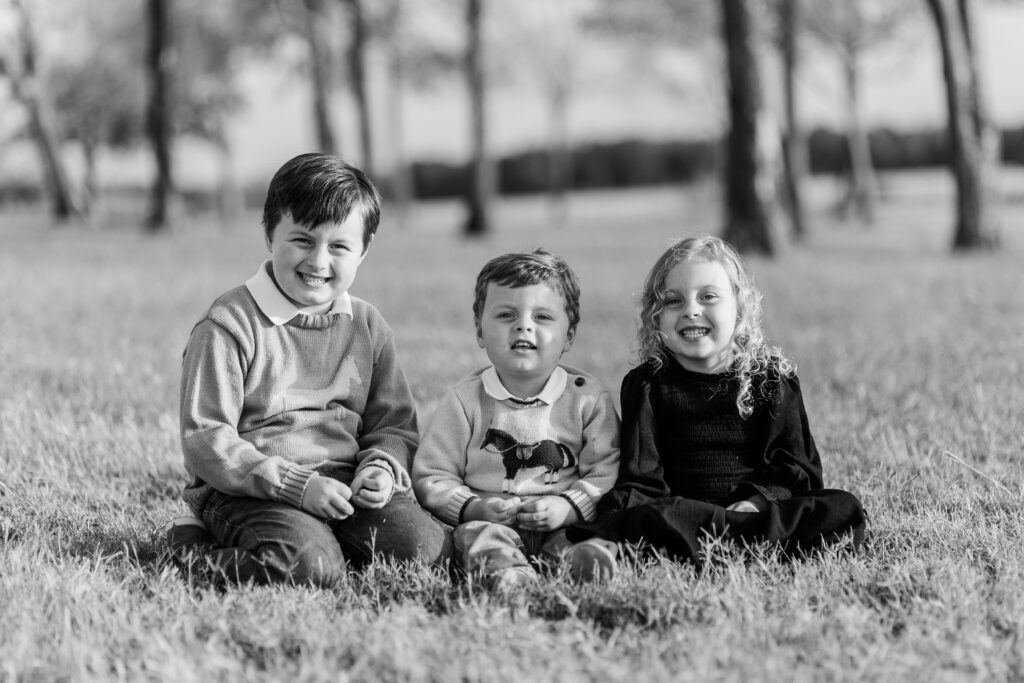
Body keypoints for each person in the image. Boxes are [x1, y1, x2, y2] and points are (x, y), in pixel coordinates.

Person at [165, 152, 450, 586]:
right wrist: (295, 485)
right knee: (310, 567)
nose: (318, 262)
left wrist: (381, 468)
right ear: (269, 234)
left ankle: (325, 541)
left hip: (345, 486)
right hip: (249, 490)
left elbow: (393, 426)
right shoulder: (229, 323)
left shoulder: (368, 326)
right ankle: (196, 551)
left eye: (338, 246)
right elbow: (207, 438)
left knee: (427, 552)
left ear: (364, 250)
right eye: (302, 240)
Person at [567, 235, 866, 563]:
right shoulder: (648, 385)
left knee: (841, 507)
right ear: (655, 316)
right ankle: (606, 552)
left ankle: (717, 549)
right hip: (683, 516)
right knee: (644, 517)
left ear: (740, 306)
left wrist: (758, 503)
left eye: (708, 297)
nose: (691, 311)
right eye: (673, 301)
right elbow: (641, 477)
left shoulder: (771, 379)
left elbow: (796, 469)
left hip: (755, 518)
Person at [413, 249, 620, 590]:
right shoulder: (465, 400)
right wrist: (474, 508)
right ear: (480, 330)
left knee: (581, 538)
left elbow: (607, 470)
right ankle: (508, 575)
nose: (523, 325)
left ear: (569, 335)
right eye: (507, 315)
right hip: (493, 523)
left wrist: (568, 507)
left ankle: (581, 565)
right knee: (478, 540)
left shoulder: (588, 399)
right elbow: (433, 474)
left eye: (542, 317)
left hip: (563, 522)